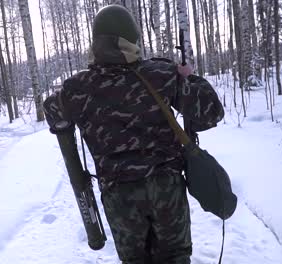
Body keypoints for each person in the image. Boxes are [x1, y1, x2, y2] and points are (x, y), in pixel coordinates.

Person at [43, 4, 224, 264]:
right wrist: (189, 79)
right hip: (167, 190)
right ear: (132, 39)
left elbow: (52, 110)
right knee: (175, 258)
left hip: (119, 197)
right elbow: (212, 113)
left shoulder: (77, 88)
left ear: (96, 43)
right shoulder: (161, 73)